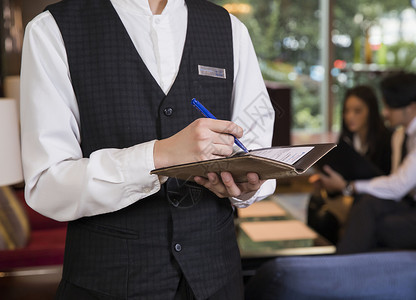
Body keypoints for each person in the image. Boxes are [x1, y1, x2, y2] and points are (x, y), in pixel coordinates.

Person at [20, 0, 276, 298]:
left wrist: (246, 187)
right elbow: (47, 184)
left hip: (219, 282)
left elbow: (254, 146)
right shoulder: (52, 29)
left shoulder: (229, 28)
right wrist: (159, 156)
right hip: (107, 285)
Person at [319, 72, 416, 254]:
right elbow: (396, 185)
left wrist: (349, 186)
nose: (384, 112)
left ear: (411, 108)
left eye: (389, 107)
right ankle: (342, 266)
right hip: (415, 205)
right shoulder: (399, 135)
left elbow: (398, 186)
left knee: (381, 226)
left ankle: (343, 267)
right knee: (367, 203)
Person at [308, 85, 392, 244]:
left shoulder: (386, 142)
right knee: (316, 201)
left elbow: (385, 181)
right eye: (346, 111)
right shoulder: (347, 141)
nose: (350, 116)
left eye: (357, 111)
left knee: (327, 218)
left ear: (371, 111)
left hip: (371, 200)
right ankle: (315, 253)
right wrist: (327, 181)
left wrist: (343, 186)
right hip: (348, 195)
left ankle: (331, 258)